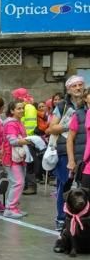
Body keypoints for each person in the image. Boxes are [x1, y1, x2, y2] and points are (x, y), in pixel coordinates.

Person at [50, 76, 86, 230]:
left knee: (83, 189)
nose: (78, 88)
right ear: (69, 89)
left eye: (80, 85)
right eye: (74, 86)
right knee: (65, 186)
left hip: (84, 153)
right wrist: (72, 124)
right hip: (65, 152)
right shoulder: (62, 105)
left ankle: (81, 217)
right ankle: (61, 218)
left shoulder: (87, 103)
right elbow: (51, 128)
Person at [1, 100, 32, 218]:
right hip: (11, 158)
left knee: (16, 183)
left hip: (18, 158)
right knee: (18, 183)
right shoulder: (11, 124)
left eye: (22, 108)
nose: (22, 110)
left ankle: (13, 207)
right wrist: (31, 141)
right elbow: (13, 141)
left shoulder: (18, 122)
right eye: (18, 108)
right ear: (12, 111)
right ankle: (10, 209)